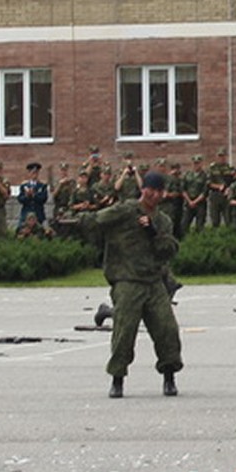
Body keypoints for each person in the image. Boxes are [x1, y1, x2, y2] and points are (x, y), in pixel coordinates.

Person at [81, 170, 182, 399]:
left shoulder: (162, 220)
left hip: (154, 281)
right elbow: (97, 220)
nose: (154, 195)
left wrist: (153, 233)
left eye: (159, 191)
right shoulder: (125, 211)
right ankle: (117, 379)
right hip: (127, 280)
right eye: (150, 190)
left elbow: (169, 250)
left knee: (167, 330)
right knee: (124, 332)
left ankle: (169, 376)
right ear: (142, 189)